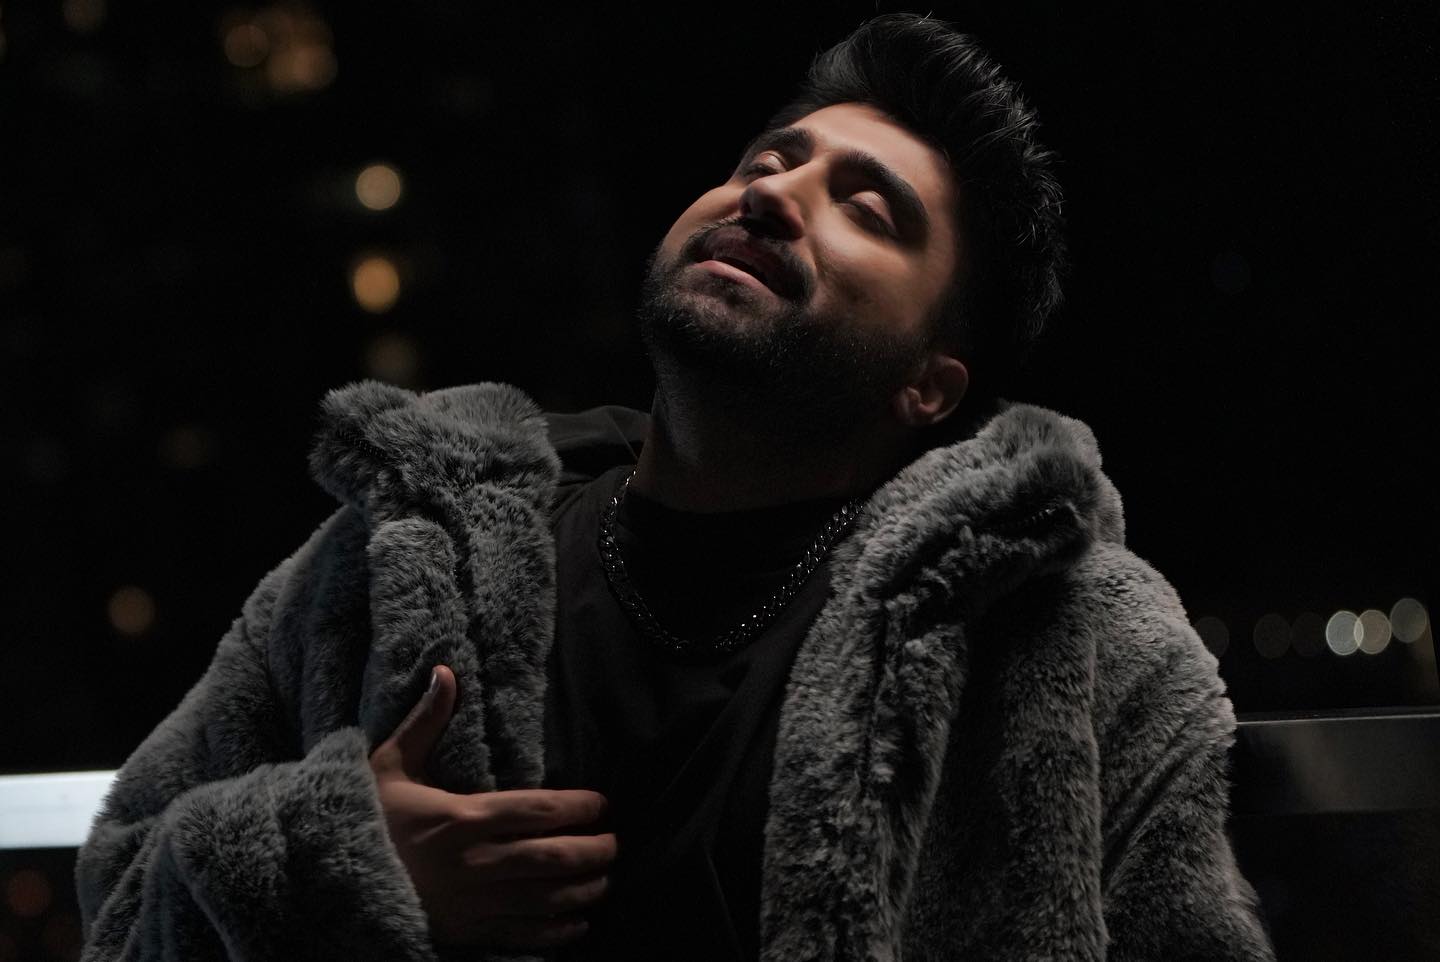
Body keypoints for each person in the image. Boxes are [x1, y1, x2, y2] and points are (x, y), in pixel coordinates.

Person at [75, 12, 1275, 962]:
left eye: (866, 208)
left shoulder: (1067, 639)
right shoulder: (397, 555)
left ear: (930, 383)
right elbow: (121, 899)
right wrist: (340, 867)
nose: (774, 192)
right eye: (769, 159)